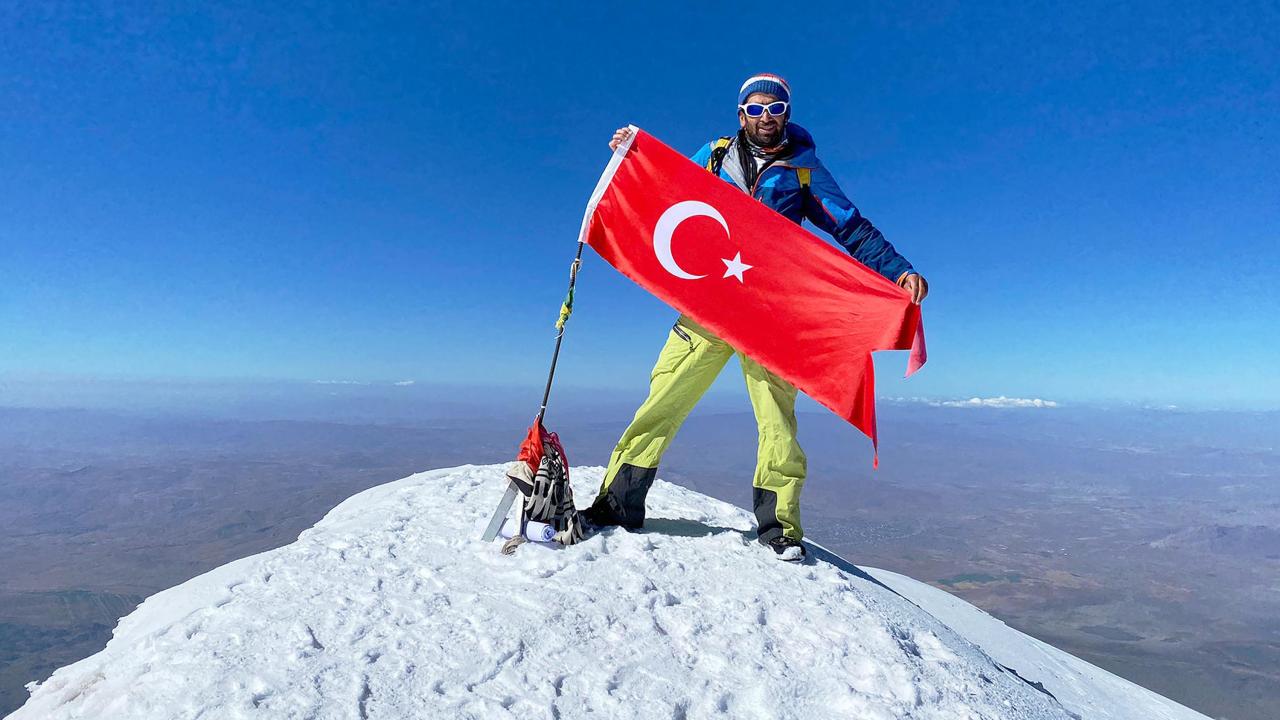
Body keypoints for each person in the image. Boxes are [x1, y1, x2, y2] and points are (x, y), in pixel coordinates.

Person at [583, 74, 928, 562]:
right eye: (756, 108)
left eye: (777, 107)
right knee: (663, 398)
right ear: (741, 112)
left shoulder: (804, 169)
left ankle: (779, 528)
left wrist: (897, 269)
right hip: (708, 303)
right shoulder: (716, 153)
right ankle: (619, 504)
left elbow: (849, 225)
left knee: (777, 421)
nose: (767, 117)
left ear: (787, 110)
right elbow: (666, 184)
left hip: (771, 313)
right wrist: (630, 153)